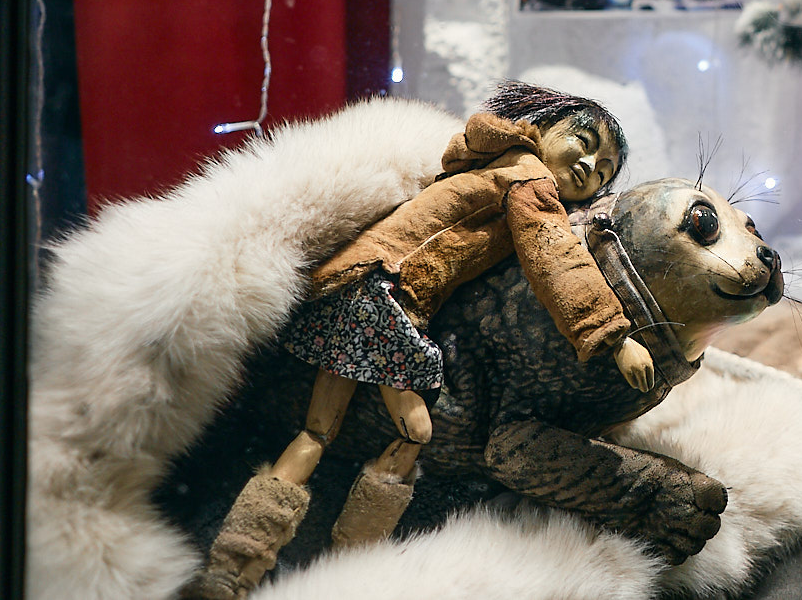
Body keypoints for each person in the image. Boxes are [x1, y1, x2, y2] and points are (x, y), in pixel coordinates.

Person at [189, 83, 645, 599]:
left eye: (603, 171)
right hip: (387, 298)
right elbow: (556, 257)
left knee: (316, 432)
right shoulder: (529, 178)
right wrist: (614, 338)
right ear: (542, 128)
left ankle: (231, 567)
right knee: (416, 432)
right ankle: (353, 563)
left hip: (350, 282)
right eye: (584, 142)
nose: (589, 165)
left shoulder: (483, 157)